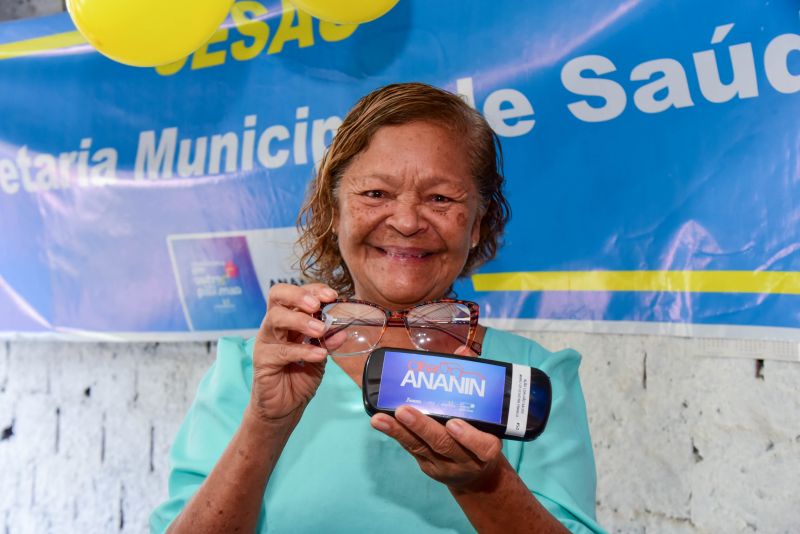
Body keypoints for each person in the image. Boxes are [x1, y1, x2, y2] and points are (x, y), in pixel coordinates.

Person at [151, 82, 604, 533]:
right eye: (375, 195)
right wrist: (266, 425)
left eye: (440, 198)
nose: (406, 221)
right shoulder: (255, 370)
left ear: (476, 224)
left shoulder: (530, 380)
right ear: (335, 211)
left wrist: (484, 484)